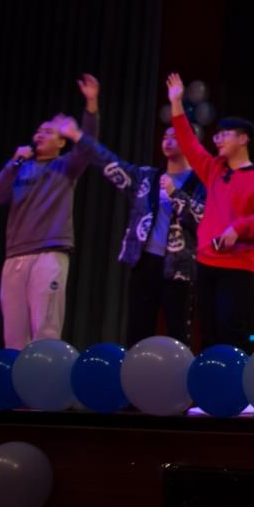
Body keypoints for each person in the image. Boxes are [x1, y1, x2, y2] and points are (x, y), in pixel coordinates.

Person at [167, 73, 254, 351]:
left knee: (230, 328)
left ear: (243, 139)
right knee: (207, 332)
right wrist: (176, 103)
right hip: (207, 261)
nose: (218, 140)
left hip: (238, 265)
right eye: (217, 135)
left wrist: (239, 228)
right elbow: (189, 143)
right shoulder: (215, 170)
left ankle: (234, 378)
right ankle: (210, 377)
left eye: (225, 135)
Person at [67, 119, 206, 347]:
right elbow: (110, 164)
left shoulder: (201, 183)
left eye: (175, 136)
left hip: (180, 267)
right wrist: (79, 137)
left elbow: (204, 220)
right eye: (165, 137)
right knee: (138, 329)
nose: (168, 141)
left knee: (178, 331)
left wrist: (175, 193)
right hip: (144, 262)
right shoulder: (147, 177)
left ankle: (180, 371)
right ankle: (134, 369)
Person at [0, 75, 100, 349]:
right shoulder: (21, 168)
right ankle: (14, 376)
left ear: (61, 143)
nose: (40, 135)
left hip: (49, 253)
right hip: (15, 255)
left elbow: (88, 145)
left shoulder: (66, 165)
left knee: (45, 330)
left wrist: (91, 103)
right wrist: (13, 163)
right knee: (13, 335)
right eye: (38, 131)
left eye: (48, 132)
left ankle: (44, 375)